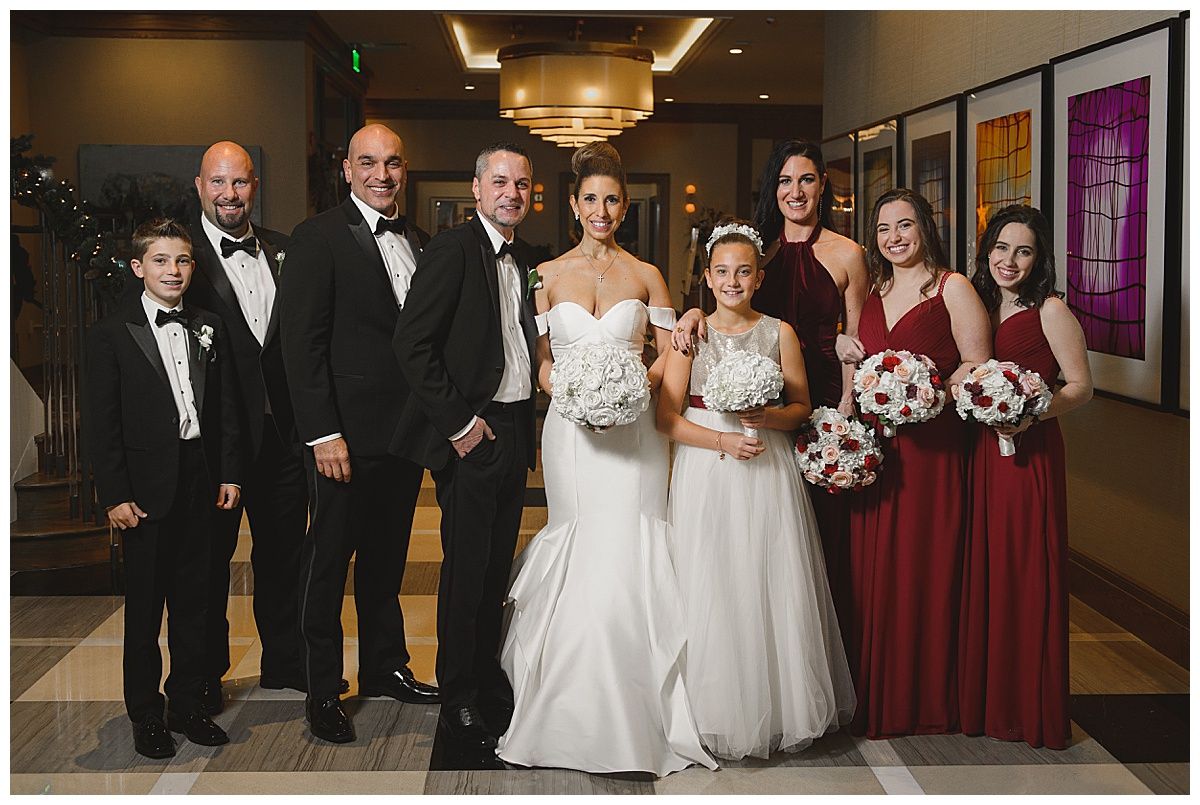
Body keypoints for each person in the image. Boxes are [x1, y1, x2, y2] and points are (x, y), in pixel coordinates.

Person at [493, 142, 717, 776]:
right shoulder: (545, 276)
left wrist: (630, 391)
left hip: (633, 435)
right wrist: (568, 392)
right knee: (580, 542)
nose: (602, 209)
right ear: (572, 204)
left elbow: (671, 354)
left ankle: (644, 703)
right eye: (590, 198)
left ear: (626, 204)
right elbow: (539, 364)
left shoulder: (646, 275)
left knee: (631, 546)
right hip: (569, 433)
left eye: (612, 199)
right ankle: (562, 704)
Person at [657, 220, 856, 760]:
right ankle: (712, 708)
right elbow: (666, 420)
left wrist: (766, 418)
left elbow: (800, 410)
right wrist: (723, 440)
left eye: (743, 271)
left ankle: (776, 705)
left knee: (767, 578)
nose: (732, 280)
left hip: (768, 473)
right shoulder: (689, 333)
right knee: (713, 581)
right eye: (721, 271)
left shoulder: (779, 333)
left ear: (759, 277)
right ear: (706, 276)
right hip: (708, 470)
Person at [279, 123, 439, 745]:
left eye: (393, 163)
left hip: (403, 437)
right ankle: (323, 689)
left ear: (406, 169)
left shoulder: (420, 241)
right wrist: (322, 433)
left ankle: (385, 665)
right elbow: (302, 346)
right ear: (346, 169)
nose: (382, 174)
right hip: (340, 442)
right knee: (327, 565)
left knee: (386, 561)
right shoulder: (316, 238)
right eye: (368, 162)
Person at [672, 140, 868, 625]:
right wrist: (694, 311)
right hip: (751, 401)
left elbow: (858, 340)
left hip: (822, 404)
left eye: (806, 179)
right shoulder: (761, 248)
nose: (795, 191)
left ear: (823, 184)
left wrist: (845, 405)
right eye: (784, 180)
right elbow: (726, 301)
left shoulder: (849, 254)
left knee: (811, 540)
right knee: (748, 540)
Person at [392, 142, 539, 756]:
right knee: (465, 570)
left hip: (515, 431)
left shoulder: (530, 257)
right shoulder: (450, 250)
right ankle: (457, 698)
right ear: (476, 190)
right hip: (472, 436)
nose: (511, 193)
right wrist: (459, 426)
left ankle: (484, 680)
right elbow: (412, 344)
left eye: (522, 184)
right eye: (499, 182)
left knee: (493, 569)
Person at [83, 218, 240, 758]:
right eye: (160, 261)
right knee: (146, 609)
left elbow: (226, 411)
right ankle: (146, 714)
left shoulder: (209, 325)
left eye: (182, 261)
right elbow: (101, 423)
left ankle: (188, 704)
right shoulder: (111, 333)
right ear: (138, 267)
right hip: (145, 489)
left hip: (201, 477)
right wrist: (114, 494)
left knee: (198, 603)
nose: (173, 271)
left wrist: (230, 473)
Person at [844, 187, 991, 739]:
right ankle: (871, 689)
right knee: (872, 572)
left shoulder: (952, 288)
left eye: (905, 226)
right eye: (884, 229)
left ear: (925, 228)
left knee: (921, 566)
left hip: (932, 452)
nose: (894, 238)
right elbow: (857, 357)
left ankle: (921, 696)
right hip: (878, 450)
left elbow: (976, 364)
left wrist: (924, 390)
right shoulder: (874, 287)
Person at [184, 141, 325, 713]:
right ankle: (202, 679)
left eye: (239, 183)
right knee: (208, 564)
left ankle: (284, 662)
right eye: (218, 183)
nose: (229, 194)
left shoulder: (285, 250)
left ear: (255, 188)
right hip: (219, 445)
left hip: (284, 436)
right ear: (199, 187)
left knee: (284, 555)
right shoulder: (180, 259)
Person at [959, 205, 1093, 749]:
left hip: (1025, 457)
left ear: (1038, 261)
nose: (1009, 260)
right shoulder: (979, 302)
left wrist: (1030, 414)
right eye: (1001, 248)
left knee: (1022, 569)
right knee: (984, 570)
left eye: (1023, 251)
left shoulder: (1050, 310)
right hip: (978, 456)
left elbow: (1081, 386)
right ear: (986, 250)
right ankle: (983, 700)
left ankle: (1025, 707)